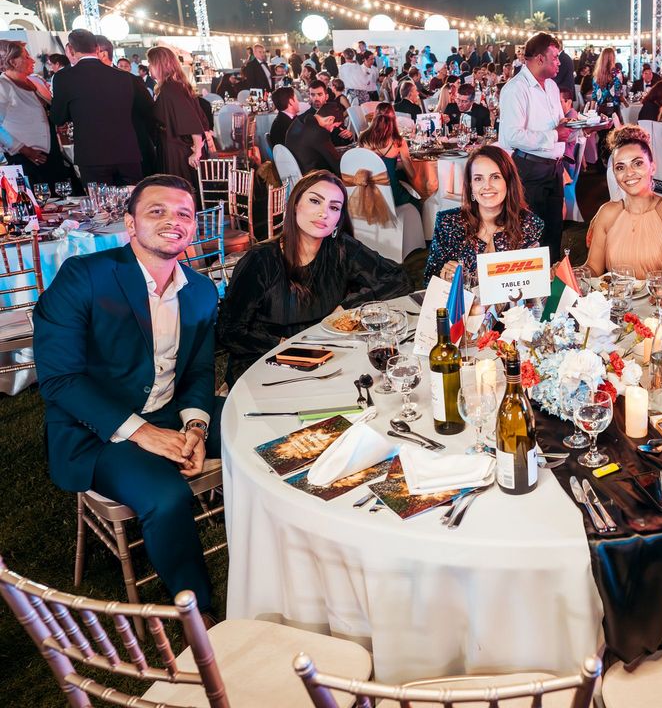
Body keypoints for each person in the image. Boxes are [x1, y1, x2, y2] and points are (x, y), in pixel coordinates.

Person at [34, 175, 221, 620]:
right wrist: (144, 433)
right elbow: (60, 379)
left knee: (255, 428)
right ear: (130, 223)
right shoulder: (85, 277)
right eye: (157, 211)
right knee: (167, 496)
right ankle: (199, 613)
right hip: (95, 431)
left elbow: (199, 370)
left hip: (171, 410)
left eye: (184, 213)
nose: (173, 221)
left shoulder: (200, 290)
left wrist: (196, 427)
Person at [219, 171, 414, 385]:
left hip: (329, 355)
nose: (324, 213)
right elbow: (229, 331)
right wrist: (286, 345)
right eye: (315, 201)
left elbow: (399, 279)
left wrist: (346, 308)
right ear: (295, 205)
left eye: (334, 207)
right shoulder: (261, 259)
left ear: (338, 219)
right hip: (266, 361)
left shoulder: (341, 247)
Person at [498, 32, 579, 260]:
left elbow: (558, 127)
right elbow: (512, 135)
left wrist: (580, 129)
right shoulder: (515, 89)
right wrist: (554, 135)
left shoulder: (552, 86)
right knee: (531, 234)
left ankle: (553, 274)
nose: (559, 62)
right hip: (529, 169)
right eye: (555, 57)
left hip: (554, 168)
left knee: (554, 230)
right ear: (540, 58)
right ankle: (531, 280)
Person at [584, 125, 662, 280]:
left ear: (652, 167)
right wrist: (570, 273)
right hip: (619, 296)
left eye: (637, 163)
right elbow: (592, 267)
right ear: (614, 174)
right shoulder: (607, 213)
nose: (629, 173)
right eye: (620, 167)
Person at [424, 145, 544, 284]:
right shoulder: (449, 223)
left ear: (508, 182)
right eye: (478, 179)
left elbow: (534, 282)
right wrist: (443, 276)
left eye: (495, 177)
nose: (487, 186)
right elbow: (429, 281)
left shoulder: (529, 224)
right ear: (471, 185)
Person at [49, 29, 154, 186]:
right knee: (132, 199)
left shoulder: (64, 77)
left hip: (92, 155)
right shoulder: (125, 77)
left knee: (100, 201)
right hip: (127, 152)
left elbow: (58, 117)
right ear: (97, 48)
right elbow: (148, 110)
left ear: (70, 50)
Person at [0, 39, 68, 188]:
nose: (32, 60)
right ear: (12, 62)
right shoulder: (3, 85)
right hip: (27, 158)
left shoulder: (32, 82)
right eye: (26, 57)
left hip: (50, 153)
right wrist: (24, 150)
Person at [146, 47, 206, 193]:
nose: (148, 67)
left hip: (176, 149)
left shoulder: (171, 88)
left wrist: (197, 150)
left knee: (176, 190)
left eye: (151, 63)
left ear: (159, 64)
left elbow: (191, 120)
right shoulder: (172, 86)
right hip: (172, 146)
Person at [285, 102, 345, 174]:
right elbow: (336, 163)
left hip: (295, 171)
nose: (331, 130)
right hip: (312, 175)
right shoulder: (319, 132)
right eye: (334, 126)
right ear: (330, 119)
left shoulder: (298, 121)